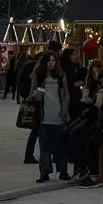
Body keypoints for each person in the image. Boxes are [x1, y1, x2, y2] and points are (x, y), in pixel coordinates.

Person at [31, 51, 73, 183]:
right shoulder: (38, 75)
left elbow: (66, 94)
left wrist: (65, 110)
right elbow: (32, 94)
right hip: (43, 116)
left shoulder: (60, 76)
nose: (51, 63)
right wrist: (36, 95)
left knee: (61, 145)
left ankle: (63, 171)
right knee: (44, 147)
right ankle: (44, 173)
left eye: (53, 61)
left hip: (58, 115)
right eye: (48, 61)